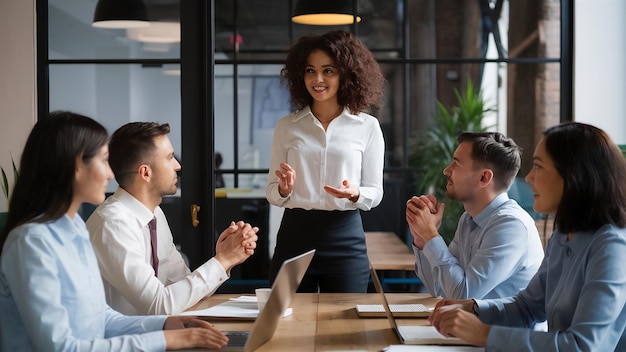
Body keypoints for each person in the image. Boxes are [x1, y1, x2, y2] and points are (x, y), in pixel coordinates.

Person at [0, 111, 230, 351]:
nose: (111, 174)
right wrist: (167, 340)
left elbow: (100, 319)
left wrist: (164, 324)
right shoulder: (31, 244)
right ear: (76, 167)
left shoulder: (75, 229)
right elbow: (60, 347)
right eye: (103, 161)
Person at [429, 122, 626, 350]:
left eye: (539, 167)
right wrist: (474, 308)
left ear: (573, 176)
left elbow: (582, 346)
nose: (529, 178)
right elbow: (528, 307)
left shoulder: (612, 247)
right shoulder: (564, 235)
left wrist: (484, 333)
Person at [87, 122, 259, 315]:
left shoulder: (155, 214)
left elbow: (184, 287)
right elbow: (159, 305)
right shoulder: (113, 224)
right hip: (126, 341)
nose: (178, 165)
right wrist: (222, 260)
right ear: (145, 173)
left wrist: (226, 258)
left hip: (154, 334)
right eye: (169, 158)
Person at [266, 30, 386, 293]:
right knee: (285, 321)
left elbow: (375, 192)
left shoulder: (367, 127)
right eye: (310, 71)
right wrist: (284, 189)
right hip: (294, 236)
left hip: (345, 237)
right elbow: (272, 192)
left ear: (346, 73)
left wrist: (356, 194)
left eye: (328, 71)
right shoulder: (287, 127)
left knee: (347, 327)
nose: (318, 79)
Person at [406, 132, 544, 299]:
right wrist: (422, 239)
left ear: (484, 177)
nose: (446, 170)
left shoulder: (511, 225)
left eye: (456, 164)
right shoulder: (468, 219)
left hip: (502, 326)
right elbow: (440, 290)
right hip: (472, 324)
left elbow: (464, 295)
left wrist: (430, 235)